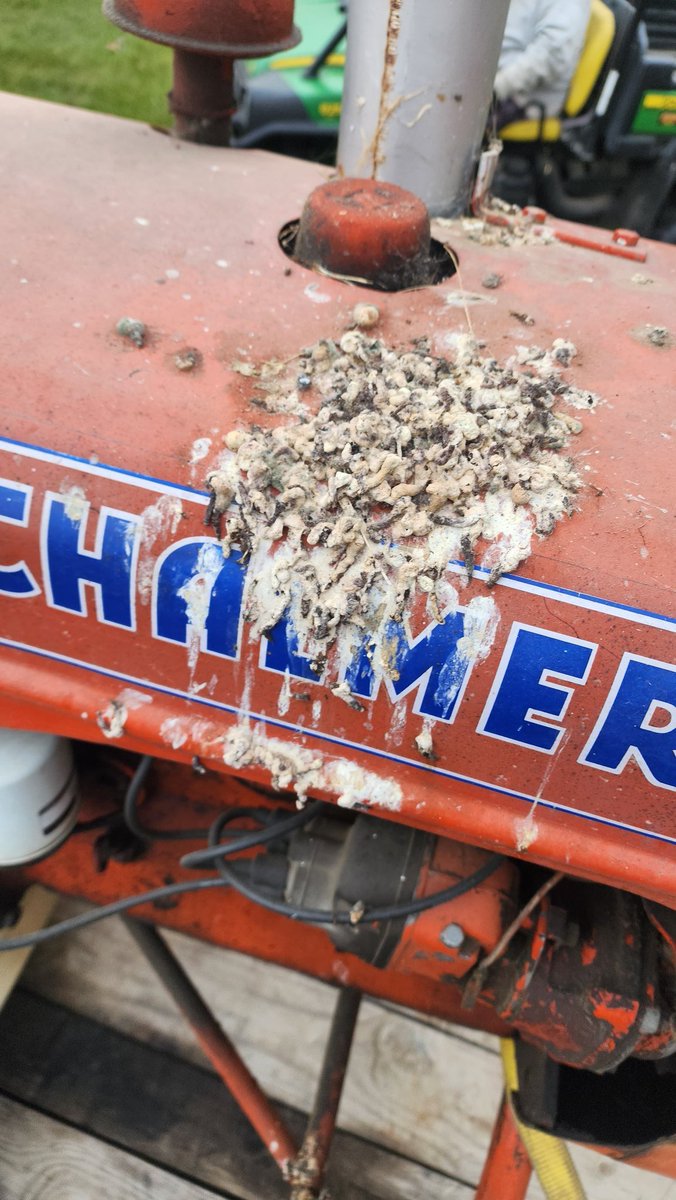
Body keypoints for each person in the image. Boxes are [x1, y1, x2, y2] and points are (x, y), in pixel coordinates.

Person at [494, 0, 592, 129]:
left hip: (519, 98)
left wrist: (495, 87)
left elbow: (550, 58)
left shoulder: (569, 4)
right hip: (491, 75)